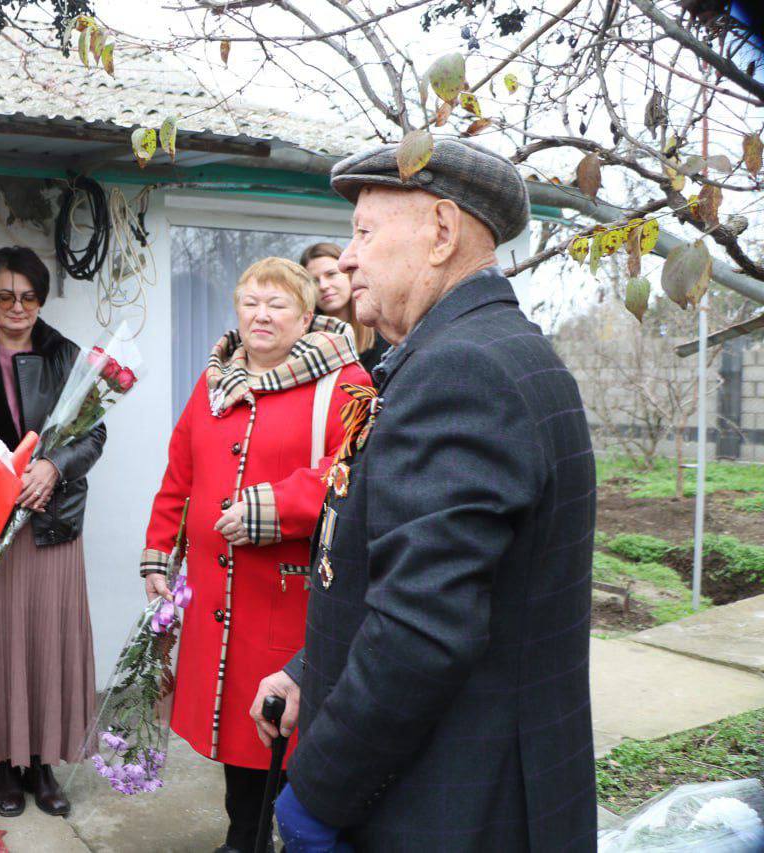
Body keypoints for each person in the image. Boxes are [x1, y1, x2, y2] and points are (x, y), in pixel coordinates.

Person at [252, 140, 597, 851]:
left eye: (364, 232)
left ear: (441, 232)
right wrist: (311, 670)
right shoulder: (482, 350)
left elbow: (421, 631)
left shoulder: (462, 369)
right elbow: (417, 566)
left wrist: (317, 793)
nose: (348, 259)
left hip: (453, 804)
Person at [141, 257, 370, 853]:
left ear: (306, 315)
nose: (261, 315)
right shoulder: (213, 384)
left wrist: (275, 508)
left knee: (288, 730)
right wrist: (160, 553)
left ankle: (296, 839)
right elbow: (180, 475)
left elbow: (356, 471)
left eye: (277, 304)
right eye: (250, 303)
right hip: (218, 601)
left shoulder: (344, 382)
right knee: (237, 731)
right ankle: (244, 838)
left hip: (288, 597)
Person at [0, 246, 105, 819]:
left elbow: (94, 434)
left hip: (53, 522)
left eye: (29, 297)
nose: (17, 307)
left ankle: (43, 761)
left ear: (41, 298)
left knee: (47, 640)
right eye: (5, 296)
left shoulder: (67, 355)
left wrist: (55, 466)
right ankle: (6, 764)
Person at [299, 242, 389, 375]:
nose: (323, 286)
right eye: (314, 281)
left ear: (350, 275)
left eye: (331, 274)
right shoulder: (302, 342)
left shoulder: (385, 332)